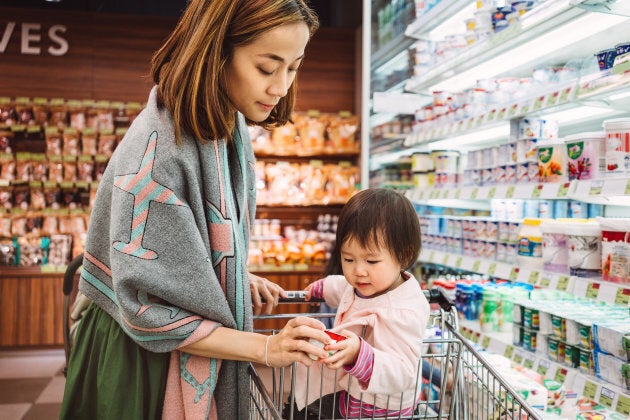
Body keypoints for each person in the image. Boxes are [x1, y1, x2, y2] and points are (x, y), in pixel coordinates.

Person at [60, 1, 334, 419]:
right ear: (217, 53)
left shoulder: (219, 124)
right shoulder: (161, 153)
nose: (280, 86)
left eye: (293, 67)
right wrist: (267, 347)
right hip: (139, 363)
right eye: (266, 67)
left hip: (159, 353)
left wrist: (227, 278)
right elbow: (149, 311)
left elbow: (182, 247)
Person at [292, 187, 431, 418]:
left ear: (404, 256)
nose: (358, 271)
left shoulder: (403, 310)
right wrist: (323, 288)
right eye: (348, 259)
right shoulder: (368, 284)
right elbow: (344, 289)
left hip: (383, 409)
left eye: (372, 260)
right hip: (354, 396)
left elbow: (405, 372)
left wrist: (360, 354)